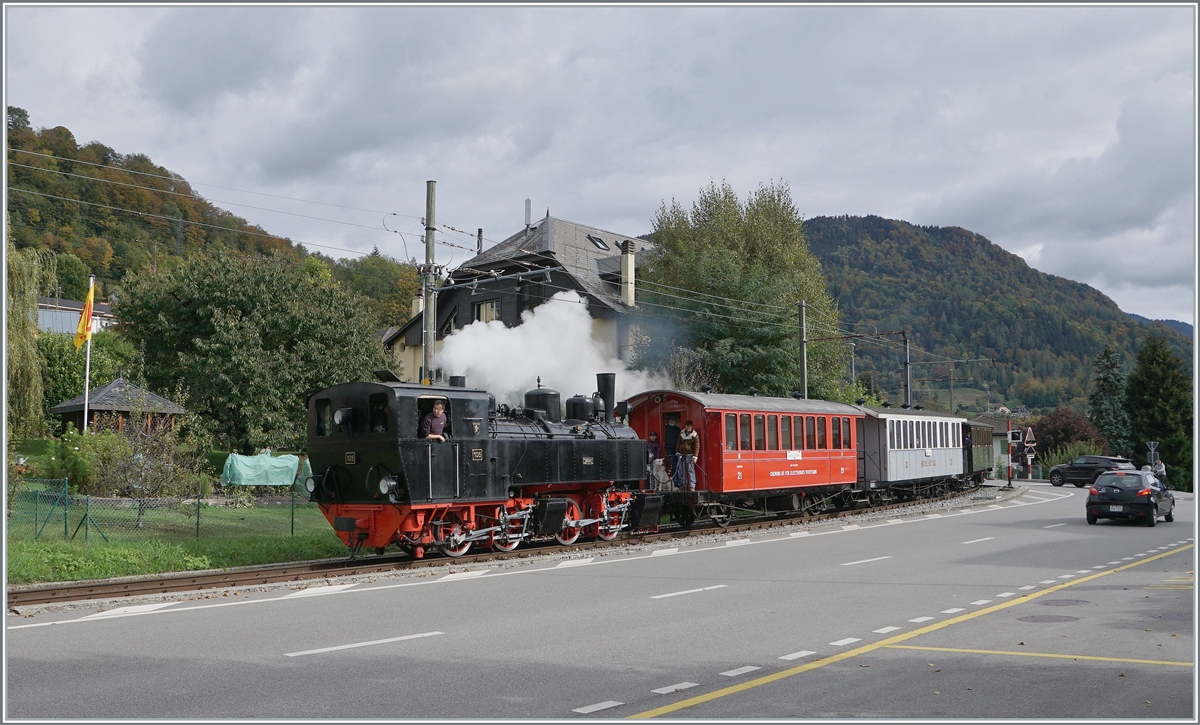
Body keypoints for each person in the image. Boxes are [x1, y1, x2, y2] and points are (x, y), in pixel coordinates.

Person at [676, 419, 699, 491]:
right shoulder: (681, 433)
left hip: (690, 454)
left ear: (692, 427)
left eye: (689, 428)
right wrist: (677, 452)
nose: (688, 429)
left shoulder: (695, 435)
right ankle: (683, 485)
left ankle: (692, 486)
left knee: (690, 470)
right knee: (682, 470)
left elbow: (697, 446)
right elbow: (678, 443)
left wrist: (695, 456)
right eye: (686, 428)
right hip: (681, 454)